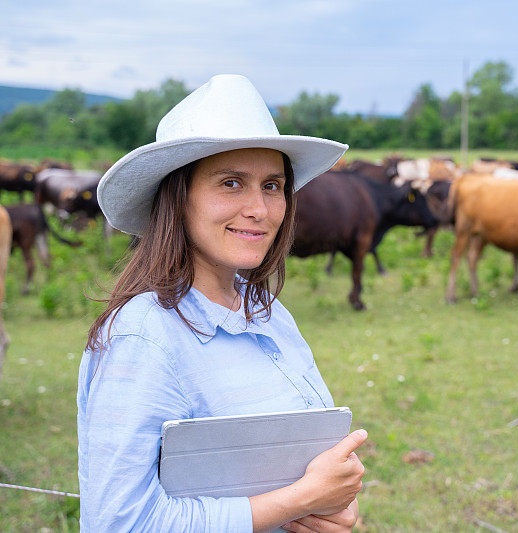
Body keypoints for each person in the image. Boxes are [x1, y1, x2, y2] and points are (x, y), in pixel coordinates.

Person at [77, 74, 367, 532]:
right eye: (231, 183)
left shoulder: (266, 313)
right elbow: (121, 523)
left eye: (272, 186)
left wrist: (336, 507)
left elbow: (314, 463)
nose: (260, 209)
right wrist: (298, 500)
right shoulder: (144, 336)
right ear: (177, 197)